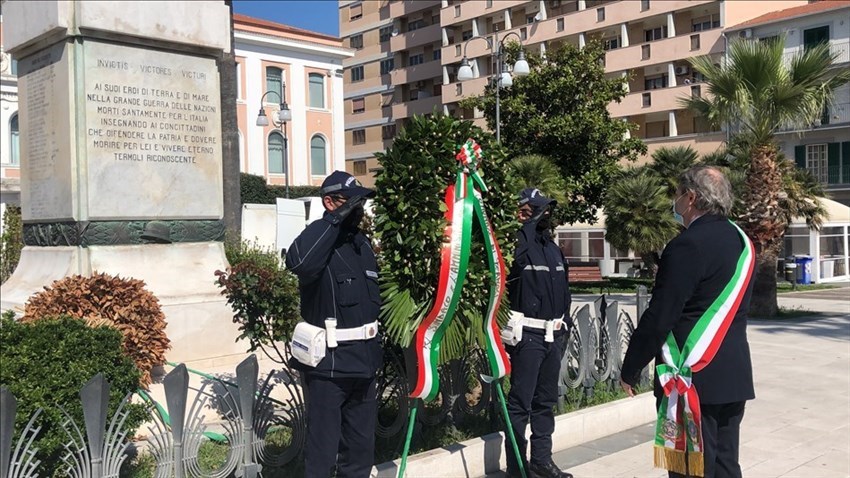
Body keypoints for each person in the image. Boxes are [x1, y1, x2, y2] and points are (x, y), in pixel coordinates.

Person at [620, 166, 755, 478]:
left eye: (678, 194)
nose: (676, 201)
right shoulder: (741, 241)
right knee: (724, 466)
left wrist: (631, 368)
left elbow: (660, 315)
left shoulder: (687, 244)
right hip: (732, 376)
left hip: (692, 378)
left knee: (687, 469)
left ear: (691, 197)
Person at [285, 171, 383, 478]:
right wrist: (333, 219)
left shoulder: (361, 245)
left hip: (365, 364)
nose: (358, 210)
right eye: (350, 203)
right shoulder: (318, 238)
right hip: (331, 366)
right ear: (330, 202)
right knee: (322, 453)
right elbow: (298, 263)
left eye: (359, 204)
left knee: (360, 452)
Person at [504, 188, 573, 478]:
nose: (546, 215)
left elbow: (564, 291)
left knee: (545, 402)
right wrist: (526, 225)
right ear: (523, 212)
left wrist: (565, 325)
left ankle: (542, 460)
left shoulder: (552, 247)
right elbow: (513, 269)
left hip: (552, 337)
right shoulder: (518, 243)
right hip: (528, 336)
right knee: (521, 403)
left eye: (546, 210)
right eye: (539, 210)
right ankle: (517, 467)